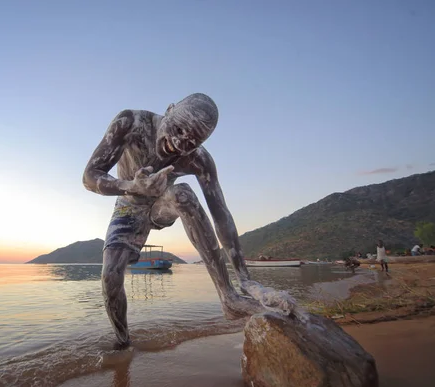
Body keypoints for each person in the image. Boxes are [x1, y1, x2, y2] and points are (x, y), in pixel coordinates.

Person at [82, 93, 308, 347]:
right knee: (110, 276)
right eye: (177, 129)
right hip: (129, 204)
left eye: (190, 142)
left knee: (182, 194)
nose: (178, 145)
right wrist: (131, 185)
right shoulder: (131, 123)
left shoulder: (198, 159)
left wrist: (245, 278)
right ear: (169, 109)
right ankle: (123, 341)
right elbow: (90, 176)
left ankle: (228, 297)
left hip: (161, 205)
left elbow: (220, 213)